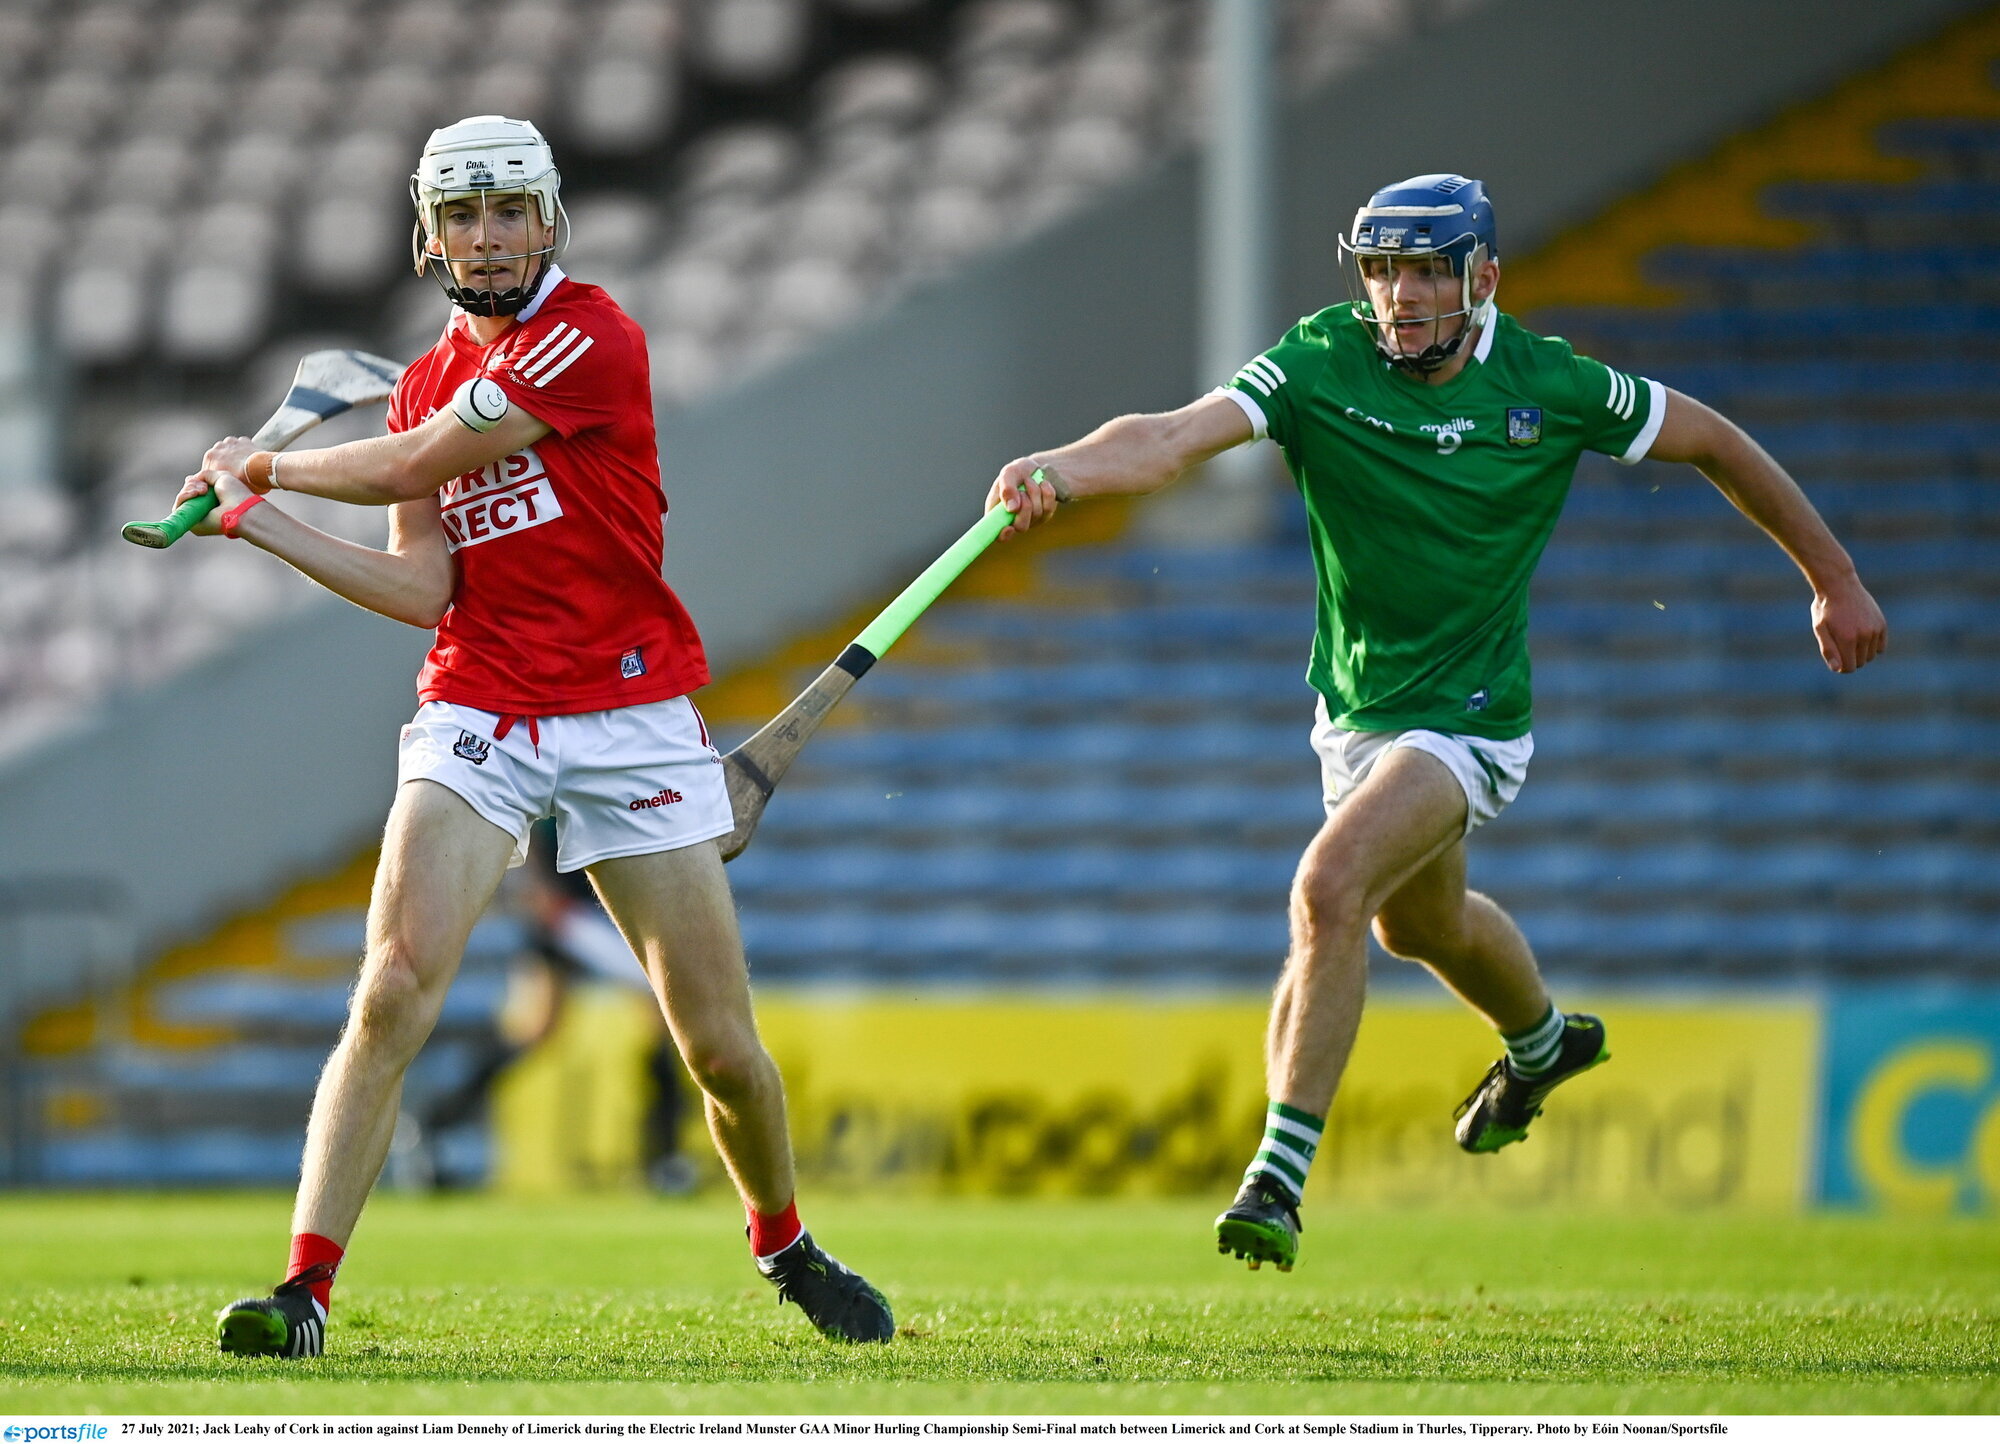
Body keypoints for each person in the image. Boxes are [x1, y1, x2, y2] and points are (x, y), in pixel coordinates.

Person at [983, 174, 1886, 1273]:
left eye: (1423, 269)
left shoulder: (1548, 384)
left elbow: (1714, 442)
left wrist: (1830, 578)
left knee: (1327, 886)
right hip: (1355, 713)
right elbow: (1173, 436)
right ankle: (1543, 1045)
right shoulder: (1322, 359)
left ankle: (1275, 1175)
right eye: (1378, 268)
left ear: (1482, 278)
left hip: (1470, 717)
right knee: (1416, 930)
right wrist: (1055, 472)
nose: (1398, 294)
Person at [177, 116, 892, 1356]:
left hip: (628, 711)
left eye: (510, 209)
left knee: (717, 1049)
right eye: (462, 215)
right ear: (427, 233)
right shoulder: (417, 377)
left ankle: (783, 1241)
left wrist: (276, 471)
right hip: (480, 707)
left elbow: (427, 455)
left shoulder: (590, 337)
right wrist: (254, 524)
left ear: (550, 220)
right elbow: (422, 591)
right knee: (393, 985)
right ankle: (303, 1292)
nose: (488, 236)